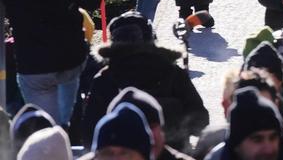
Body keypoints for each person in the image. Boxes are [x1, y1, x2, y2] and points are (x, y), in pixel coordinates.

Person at [80, 13, 209, 147]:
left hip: (120, 154)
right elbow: (200, 121)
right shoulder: (172, 72)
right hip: (171, 152)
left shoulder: (105, 78)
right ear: (152, 39)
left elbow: (89, 133)